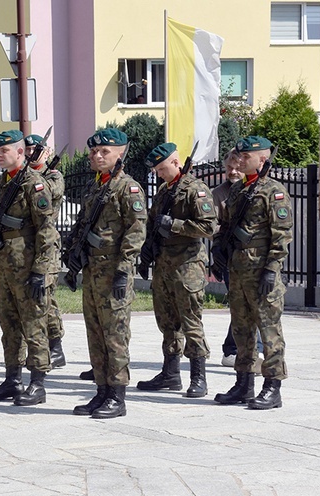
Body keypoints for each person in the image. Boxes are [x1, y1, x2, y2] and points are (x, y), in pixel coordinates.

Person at [68, 128, 146, 419]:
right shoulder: (96, 186)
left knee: (115, 335)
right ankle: (101, 391)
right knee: (96, 334)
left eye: (104, 152)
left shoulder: (128, 188)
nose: (96, 156)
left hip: (114, 273)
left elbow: (136, 233)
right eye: (93, 152)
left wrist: (125, 271)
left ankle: (117, 395)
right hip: (93, 271)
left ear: (120, 154)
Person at [0, 130, 56, 406]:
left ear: (20, 152)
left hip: (26, 266)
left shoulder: (33, 184)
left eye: (4, 151)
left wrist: (41, 269)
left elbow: (47, 230)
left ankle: (37, 383)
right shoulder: (3, 183)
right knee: (9, 325)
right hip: (3, 265)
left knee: (33, 323)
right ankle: (12, 379)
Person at [214, 136, 292, 410]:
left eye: (246, 156)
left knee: (269, 332)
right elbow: (225, 225)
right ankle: (243, 384)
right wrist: (218, 251)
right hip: (238, 273)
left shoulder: (274, 191)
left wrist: (272, 270)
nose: (240, 160)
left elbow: (281, 236)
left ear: (262, 159)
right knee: (241, 330)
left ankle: (272, 387)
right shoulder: (237, 191)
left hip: (261, 274)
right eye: (239, 156)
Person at [135, 142, 216, 398]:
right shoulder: (163, 190)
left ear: (175, 162)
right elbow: (152, 222)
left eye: (161, 168)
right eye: (156, 170)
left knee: (190, 320)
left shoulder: (196, 190)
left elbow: (209, 228)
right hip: (164, 264)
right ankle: (170, 373)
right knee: (166, 321)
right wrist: (147, 249)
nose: (158, 173)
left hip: (187, 266)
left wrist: (175, 224)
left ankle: (198, 377)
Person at [212, 149, 264, 368]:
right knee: (241, 304)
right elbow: (214, 224)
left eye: (236, 167)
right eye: (228, 168)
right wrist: (217, 251)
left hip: (255, 256)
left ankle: (239, 349)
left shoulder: (258, 189)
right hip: (229, 256)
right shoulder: (220, 193)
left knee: (251, 304)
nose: (232, 172)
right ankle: (243, 350)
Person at [25, 134, 67, 369]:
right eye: (28, 148)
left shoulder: (53, 176)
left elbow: (49, 196)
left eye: (36, 149)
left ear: (47, 152)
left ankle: (56, 345)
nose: (32, 152)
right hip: (26, 245)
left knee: (46, 296)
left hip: (47, 244)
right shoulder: (26, 176)